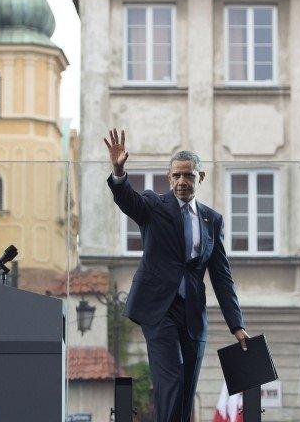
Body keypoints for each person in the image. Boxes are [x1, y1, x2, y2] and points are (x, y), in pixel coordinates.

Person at [104, 128, 249, 422]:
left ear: (200, 178)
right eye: (177, 176)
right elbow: (128, 199)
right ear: (169, 178)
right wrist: (119, 172)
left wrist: (237, 325)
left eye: (189, 176)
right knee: (172, 379)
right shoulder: (154, 205)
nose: (183, 181)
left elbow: (221, 276)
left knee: (185, 391)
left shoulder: (212, 219)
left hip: (193, 314)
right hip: (159, 310)